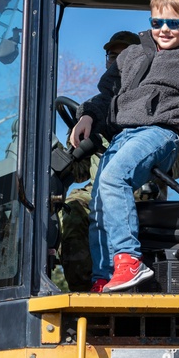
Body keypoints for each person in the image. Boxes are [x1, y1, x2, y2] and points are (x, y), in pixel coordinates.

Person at [70, 0, 179, 292]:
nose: (165, 29)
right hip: (123, 136)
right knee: (99, 200)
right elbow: (106, 96)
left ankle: (128, 261)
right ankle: (104, 276)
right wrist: (87, 115)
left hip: (160, 134)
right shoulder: (129, 57)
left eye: (174, 22)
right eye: (158, 22)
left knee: (114, 178)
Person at [56, 30, 140, 291]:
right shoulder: (94, 109)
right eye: (112, 56)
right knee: (70, 208)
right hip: (96, 191)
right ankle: (86, 292)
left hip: (136, 191)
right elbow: (79, 171)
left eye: (125, 55)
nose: (117, 61)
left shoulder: (155, 101)